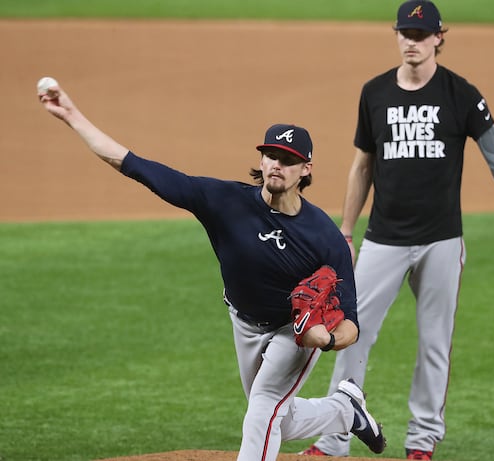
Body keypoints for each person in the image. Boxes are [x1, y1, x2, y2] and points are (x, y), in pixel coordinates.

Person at [38, 83, 387, 461]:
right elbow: (134, 165)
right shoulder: (224, 201)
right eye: (270, 155)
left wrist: (327, 341)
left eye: (287, 159)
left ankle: (339, 410)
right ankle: (344, 410)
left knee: (264, 408)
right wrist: (72, 116)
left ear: (306, 169)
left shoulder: (324, 237)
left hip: (293, 332)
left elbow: (351, 322)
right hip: (244, 323)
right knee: (274, 418)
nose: (276, 164)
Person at [300, 1, 494, 460]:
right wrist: (345, 231)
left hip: (442, 241)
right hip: (382, 239)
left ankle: (421, 443)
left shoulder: (460, 94)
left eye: (420, 34)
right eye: (405, 33)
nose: (411, 42)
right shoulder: (374, 92)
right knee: (348, 332)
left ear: (440, 36)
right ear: (396, 34)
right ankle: (335, 437)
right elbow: (362, 166)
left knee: (435, 345)